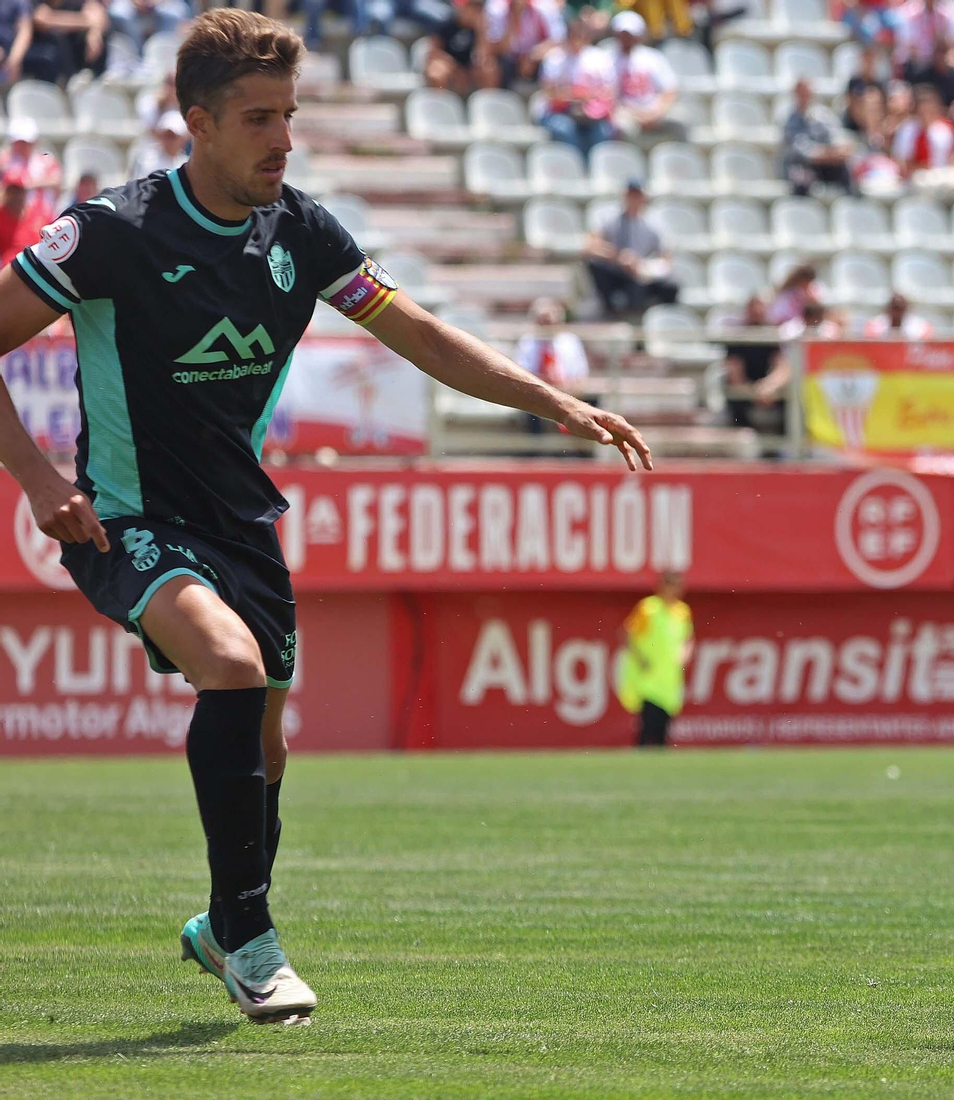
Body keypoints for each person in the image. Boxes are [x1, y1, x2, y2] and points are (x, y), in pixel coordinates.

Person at [0, 8, 649, 1025]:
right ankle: (253, 939)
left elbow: (420, 332)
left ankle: (221, 925)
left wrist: (553, 402)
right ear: (196, 123)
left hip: (243, 520)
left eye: (289, 115)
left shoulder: (298, 230)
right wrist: (40, 481)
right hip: (127, 515)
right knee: (230, 663)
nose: (282, 138)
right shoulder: (115, 231)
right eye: (259, 118)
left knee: (268, 747)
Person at [617, 573, 693, 747]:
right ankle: (641, 756)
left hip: (669, 676)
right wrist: (641, 658)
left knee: (663, 727)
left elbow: (688, 638)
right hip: (649, 675)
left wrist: (685, 654)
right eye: (671, 586)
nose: (675, 591)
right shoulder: (648, 608)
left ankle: (659, 763)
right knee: (648, 723)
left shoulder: (682, 611)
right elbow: (628, 633)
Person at [584, 178, 679, 317]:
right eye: (630, 194)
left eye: (637, 195)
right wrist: (619, 257)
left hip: (640, 274)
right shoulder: (607, 217)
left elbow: (666, 259)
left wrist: (643, 266)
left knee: (671, 287)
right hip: (614, 271)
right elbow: (590, 246)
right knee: (595, 265)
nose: (633, 199)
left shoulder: (653, 223)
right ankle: (609, 310)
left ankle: (664, 321)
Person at [539, 18, 615, 164]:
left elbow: (609, 92)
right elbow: (549, 93)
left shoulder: (600, 57)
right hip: (559, 112)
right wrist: (576, 95)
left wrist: (586, 97)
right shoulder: (555, 58)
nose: (578, 39)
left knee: (603, 131)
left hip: (591, 114)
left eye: (581, 35)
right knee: (566, 129)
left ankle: (596, 171)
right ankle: (577, 170)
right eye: (574, 35)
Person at [608, 10, 686, 147]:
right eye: (623, 34)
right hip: (627, 111)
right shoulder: (608, 59)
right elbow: (610, 96)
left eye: (630, 34)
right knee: (621, 126)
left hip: (654, 109)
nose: (626, 38)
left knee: (681, 121)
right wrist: (636, 114)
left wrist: (657, 112)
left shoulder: (653, 57)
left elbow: (670, 89)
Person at [721, 292, 786, 431]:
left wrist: (769, 386)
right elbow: (734, 373)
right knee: (735, 398)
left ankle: (782, 447)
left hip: (765, 387)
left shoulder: (771, 337)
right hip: (744, 387)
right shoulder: (737, 337)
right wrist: (752, 393)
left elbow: (781, 367)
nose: (757, 312)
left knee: (790, 399)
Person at [780, 77, 855, 196]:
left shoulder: (823, 115)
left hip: (825, 164)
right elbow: (803, 151)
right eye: (802, 93)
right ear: (795, 95)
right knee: (800, 179)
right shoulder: (789, 120)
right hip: (802, 166)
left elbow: (837, 137)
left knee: (847, 173)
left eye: (807, 93)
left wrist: (840, 149)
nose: (805, 97)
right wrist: (830, 153)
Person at [425, 0, 497, 95]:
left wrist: (481, 33)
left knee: (489, 69)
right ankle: (439, 106)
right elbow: (434, 52)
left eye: (479, 8)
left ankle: (488, 104)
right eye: (473, 6)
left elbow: (483, 57)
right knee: (437, 72)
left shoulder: (479, 29)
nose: (476, 11)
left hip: (468, 68)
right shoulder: (446, 23)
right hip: (448, 65)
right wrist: (456, 70)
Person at [128, 109, 190, 179]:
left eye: (173, 137)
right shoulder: (146, 161)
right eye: (166, 135)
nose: (169, 141)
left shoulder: (186, 164)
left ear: (183, 139)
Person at [863, 291, 933, 337]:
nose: (897, 313)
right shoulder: (874, 325)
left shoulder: (920, 327)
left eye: (900, 308)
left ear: (906, 309)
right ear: (888, 308)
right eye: (894, 308)